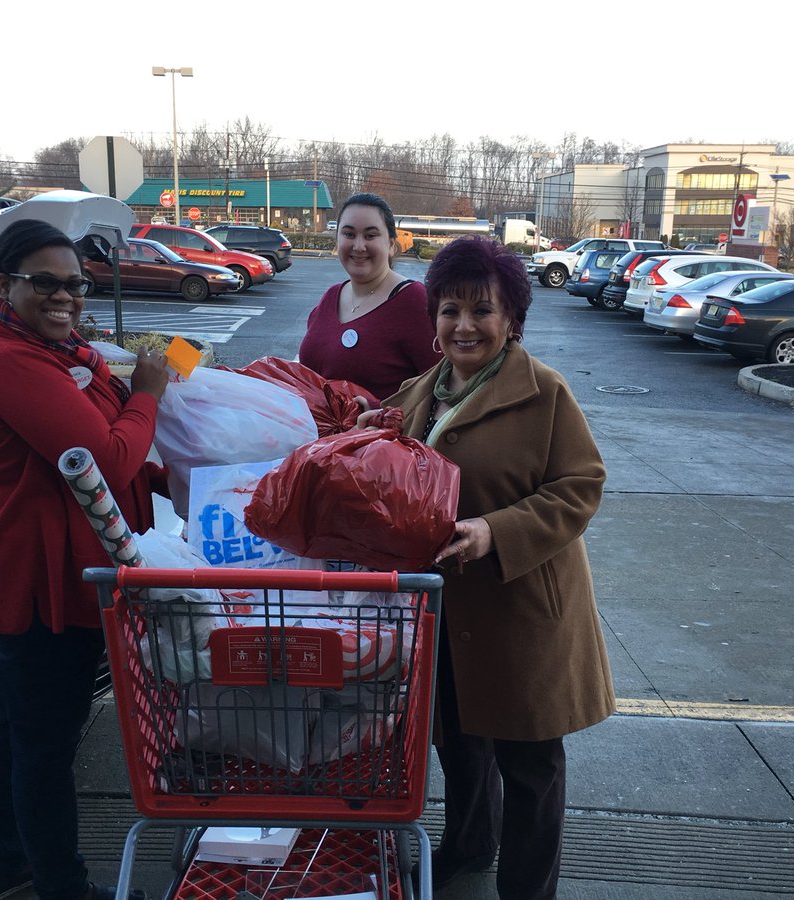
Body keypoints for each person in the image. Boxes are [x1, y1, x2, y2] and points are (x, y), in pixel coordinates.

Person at [375, 236, 615, 900]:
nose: (464, 325)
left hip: (522, 611)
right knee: (461, 746)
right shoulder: (421, 391)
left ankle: (527, 890)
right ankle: (469, 847)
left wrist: (494, 529)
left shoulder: (544, 393)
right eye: (450, 310)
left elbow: (580, 485)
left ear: (512, 317)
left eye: (482, 309)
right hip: (447, 613)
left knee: (530, 765)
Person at [0, 219, 169, 900]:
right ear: (3, 285)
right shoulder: (9, 362)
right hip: (35, 577)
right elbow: (103, 458)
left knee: (14, 729)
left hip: (37, 564)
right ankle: (58, 884)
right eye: (44, 282)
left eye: (74, 283)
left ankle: (5, 866)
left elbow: (98, 416)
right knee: (43, 742)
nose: (64, 295)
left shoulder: (46, 348)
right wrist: (150, 393)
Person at [298, 192, 440, 401]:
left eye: (370, 235)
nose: (358, 246)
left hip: (378, 433)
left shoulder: (413, 300)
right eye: (349, 234)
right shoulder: (331, 297)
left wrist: (378, 415)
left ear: (391, 245)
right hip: (318, 431)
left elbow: (439, 390)